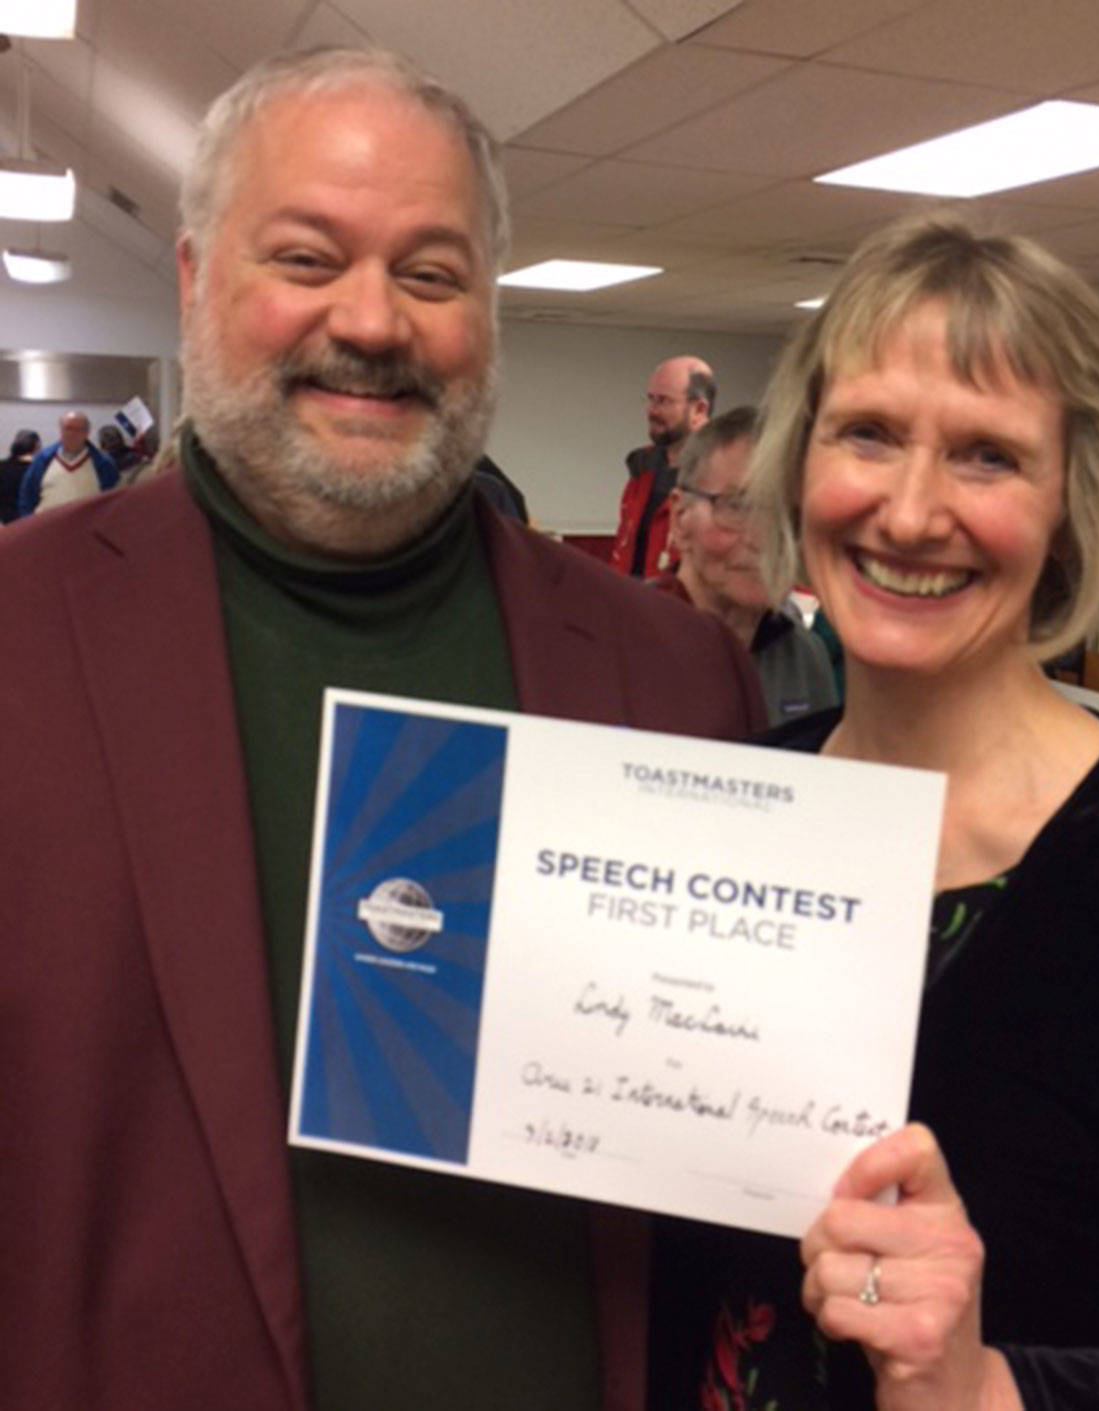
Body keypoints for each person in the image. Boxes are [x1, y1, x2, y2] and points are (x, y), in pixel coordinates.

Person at [0, 47, 765, 1411]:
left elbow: (728, 1163)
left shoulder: (676, 678)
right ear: (192, 282)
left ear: (489, 311)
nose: (372, 319)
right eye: (306, 257)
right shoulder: (18, 639)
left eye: (429, 273)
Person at [648, 213, 1099, 1410]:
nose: (908, 511)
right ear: (799, 462)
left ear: (1065, 507)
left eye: (986, 455)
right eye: (869, 434)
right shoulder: (737, 807)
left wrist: (984, 1388)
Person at [655, 405, 837, 725]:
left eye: (787, 515)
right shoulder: (623, 643)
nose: (764, 538)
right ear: (680, 518)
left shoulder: (805, 658)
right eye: (738, 507)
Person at [610, 354, 715, 578]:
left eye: (664, 401)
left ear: (699, 409)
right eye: (650, 399)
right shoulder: (641, 470)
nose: (652, 411)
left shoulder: (719, 479)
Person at [17, 409, 119, 514]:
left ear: (87, 433)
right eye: (68, 428)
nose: (72, 434)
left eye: (78, 429)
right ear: (61, 431)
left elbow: (111, 502)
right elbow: (27, 496)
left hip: (86, 528)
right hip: (47, 527)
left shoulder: (103, 463)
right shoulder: (43, 459)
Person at [0, 427, 39, 522]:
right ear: (35, 447)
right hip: (28, 521)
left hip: (5, 521)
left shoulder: (2, 466)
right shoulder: (36, 469)